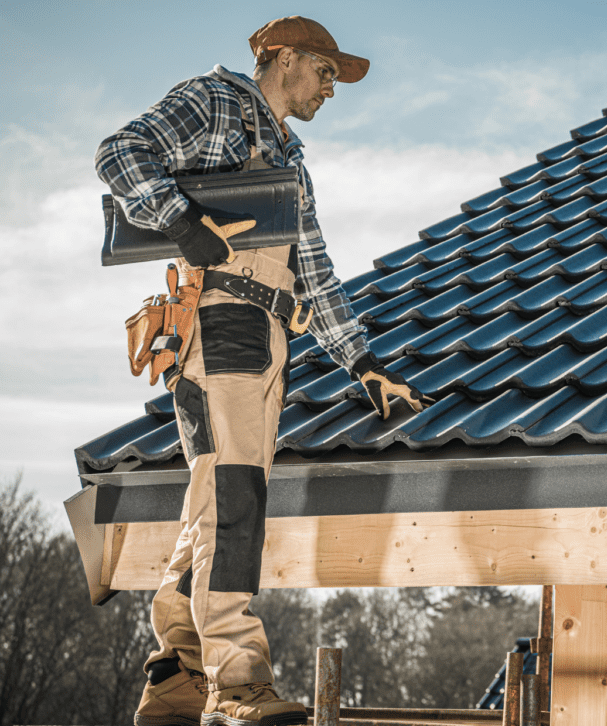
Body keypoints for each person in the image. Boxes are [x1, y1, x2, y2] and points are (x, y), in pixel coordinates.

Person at [95, 16, 429, 726]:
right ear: (282, 59)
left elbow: (315, 270)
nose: (333, 90)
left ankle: (177, 673)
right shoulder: (215, 102)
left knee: (215, 501)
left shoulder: (291, 159)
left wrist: (363, 363)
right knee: (238, 496)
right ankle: (238, 679)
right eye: (327, 72)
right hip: (222, 324)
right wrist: (181, 221)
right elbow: (120, 154)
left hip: (267, 334)